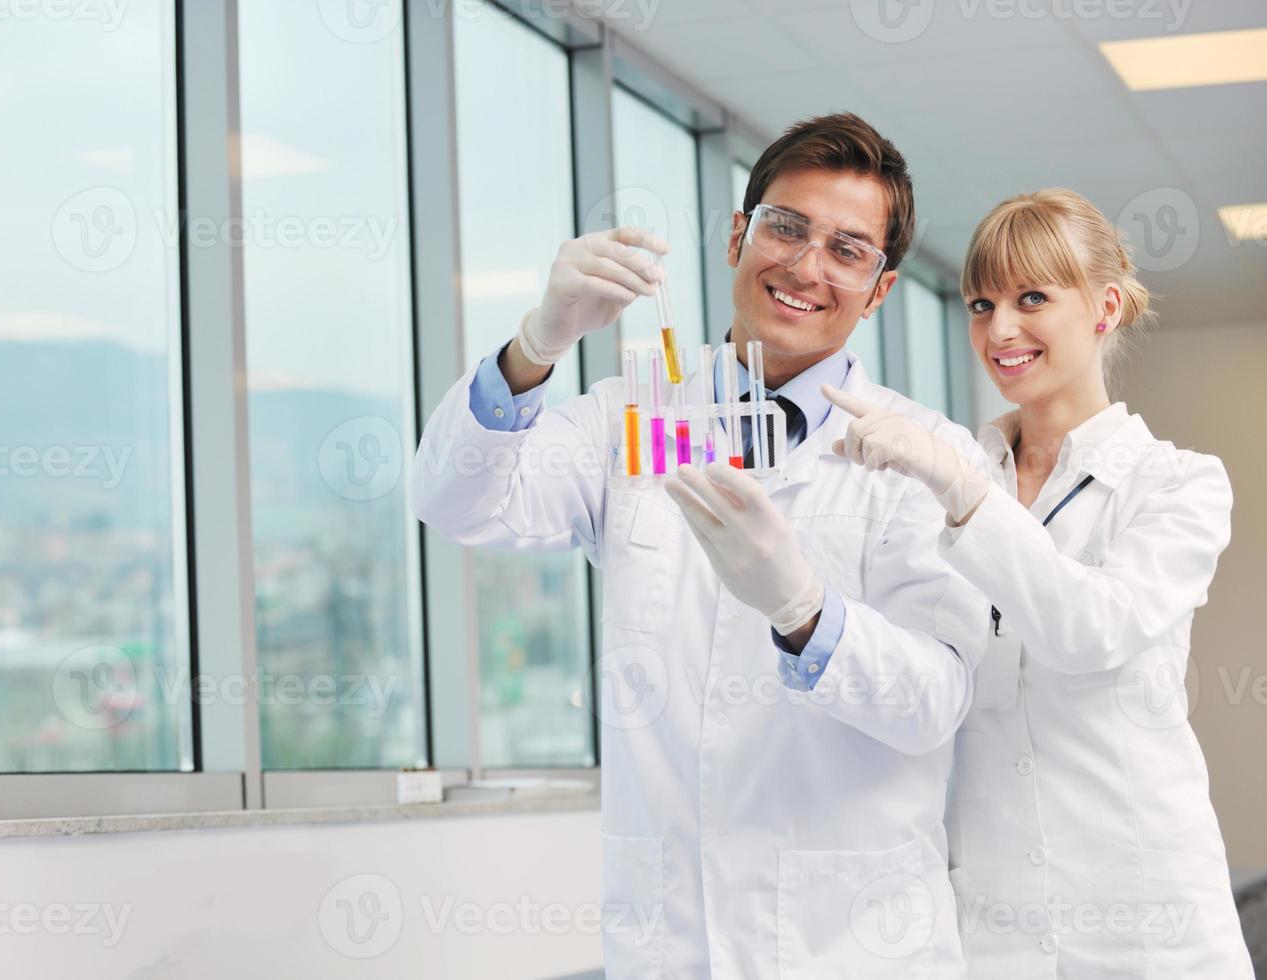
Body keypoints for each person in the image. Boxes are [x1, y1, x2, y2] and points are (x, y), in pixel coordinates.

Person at [411, 112, 988, 978]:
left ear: (879, 289)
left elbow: (934, 702)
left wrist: (803, 613)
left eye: (847, 249)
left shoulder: (924, 452)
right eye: (784, 227)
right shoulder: (631, 418)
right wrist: (535, 344)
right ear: (735, 236)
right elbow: (454, 502)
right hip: (669, 939)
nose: (804, 266)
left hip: (852, 947)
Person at [822, 188, 1253, 977]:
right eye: (980, 303)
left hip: (1147, 924)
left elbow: (1088, 630)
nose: (1000, 329)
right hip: (995, 926)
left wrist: (961, 492)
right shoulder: (946, 473)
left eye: (1031, 298)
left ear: (1104, 307)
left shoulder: (1176, 485)